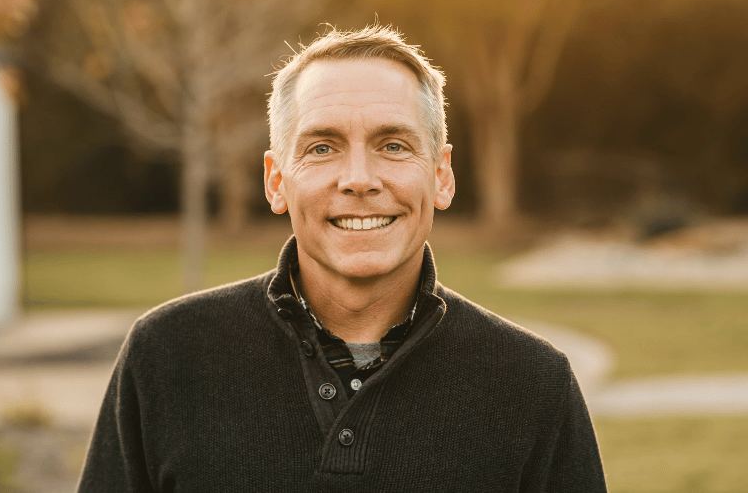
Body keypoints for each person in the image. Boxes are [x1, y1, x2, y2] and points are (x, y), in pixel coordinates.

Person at [78, 25, 607, 492]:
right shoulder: (166, 357)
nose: (358, 179)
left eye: (394, 145)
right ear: (275, 180)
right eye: (322, 148)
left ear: (442, 175)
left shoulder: (534, 384)